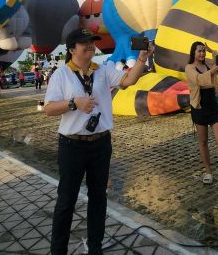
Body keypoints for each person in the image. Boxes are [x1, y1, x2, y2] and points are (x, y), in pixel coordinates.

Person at [44, 28, 151, 254]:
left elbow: (128, 80)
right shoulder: (61, 75)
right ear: (72, 49)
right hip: (72, 146)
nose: (91, 46)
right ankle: (58, 250)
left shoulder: (103, 70)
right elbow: (49, 108)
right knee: (66, 201)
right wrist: (74, 103)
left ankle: (95, 248)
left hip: (100, 144)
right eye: (85, 43)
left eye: (92, 42)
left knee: (98, 198)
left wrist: (142, 59)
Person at [185, 41, 218, 188]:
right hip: (199, 106)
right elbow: (198, 80)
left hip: (213, 106)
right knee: (203, 141)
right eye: (199, 51)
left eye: (203, 51)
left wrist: (212, 50)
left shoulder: (209, 64)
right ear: (193, 53)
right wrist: (213, 71)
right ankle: (208, 172)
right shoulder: (189, 68)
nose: (202, 54)